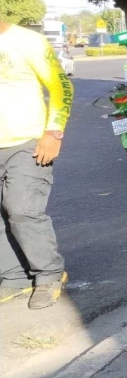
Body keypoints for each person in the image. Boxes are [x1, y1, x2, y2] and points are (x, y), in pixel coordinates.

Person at [0, 17, 74, 309]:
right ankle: (13, 278)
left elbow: (60, 87)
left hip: (26, 142)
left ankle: (49, 275)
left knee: (22, 210)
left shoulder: (28, 41)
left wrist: (54, 132)